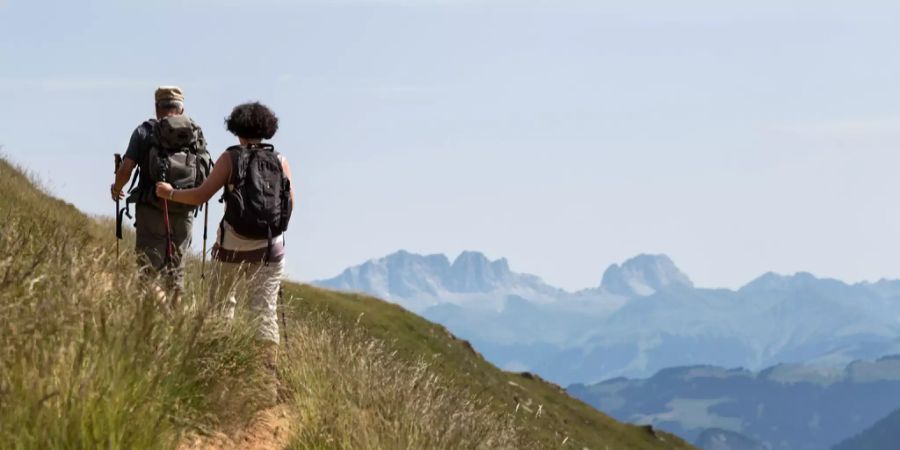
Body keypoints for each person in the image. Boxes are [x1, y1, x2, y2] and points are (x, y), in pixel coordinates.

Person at [154, 101, 294, 374]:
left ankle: (221, 368)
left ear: (237, 128)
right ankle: (266, 375)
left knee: (220, 305)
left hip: (231, 247)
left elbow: (200, 196)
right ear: (267, 129)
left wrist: (169, 192)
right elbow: (290, 206)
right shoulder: (280, 161)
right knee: (264, 311)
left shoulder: (231, 158)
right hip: (270, 249)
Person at [111, 86, 211, 308]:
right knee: (177, 274)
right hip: (184, 208)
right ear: (181, 108)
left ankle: (162, 315)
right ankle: (179, 324)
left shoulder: (145, 131)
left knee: (149, 273)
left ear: (157, 107)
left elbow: (127, 168)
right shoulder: (195, 132)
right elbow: (205, 170)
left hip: (151, 208)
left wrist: (116, 188)